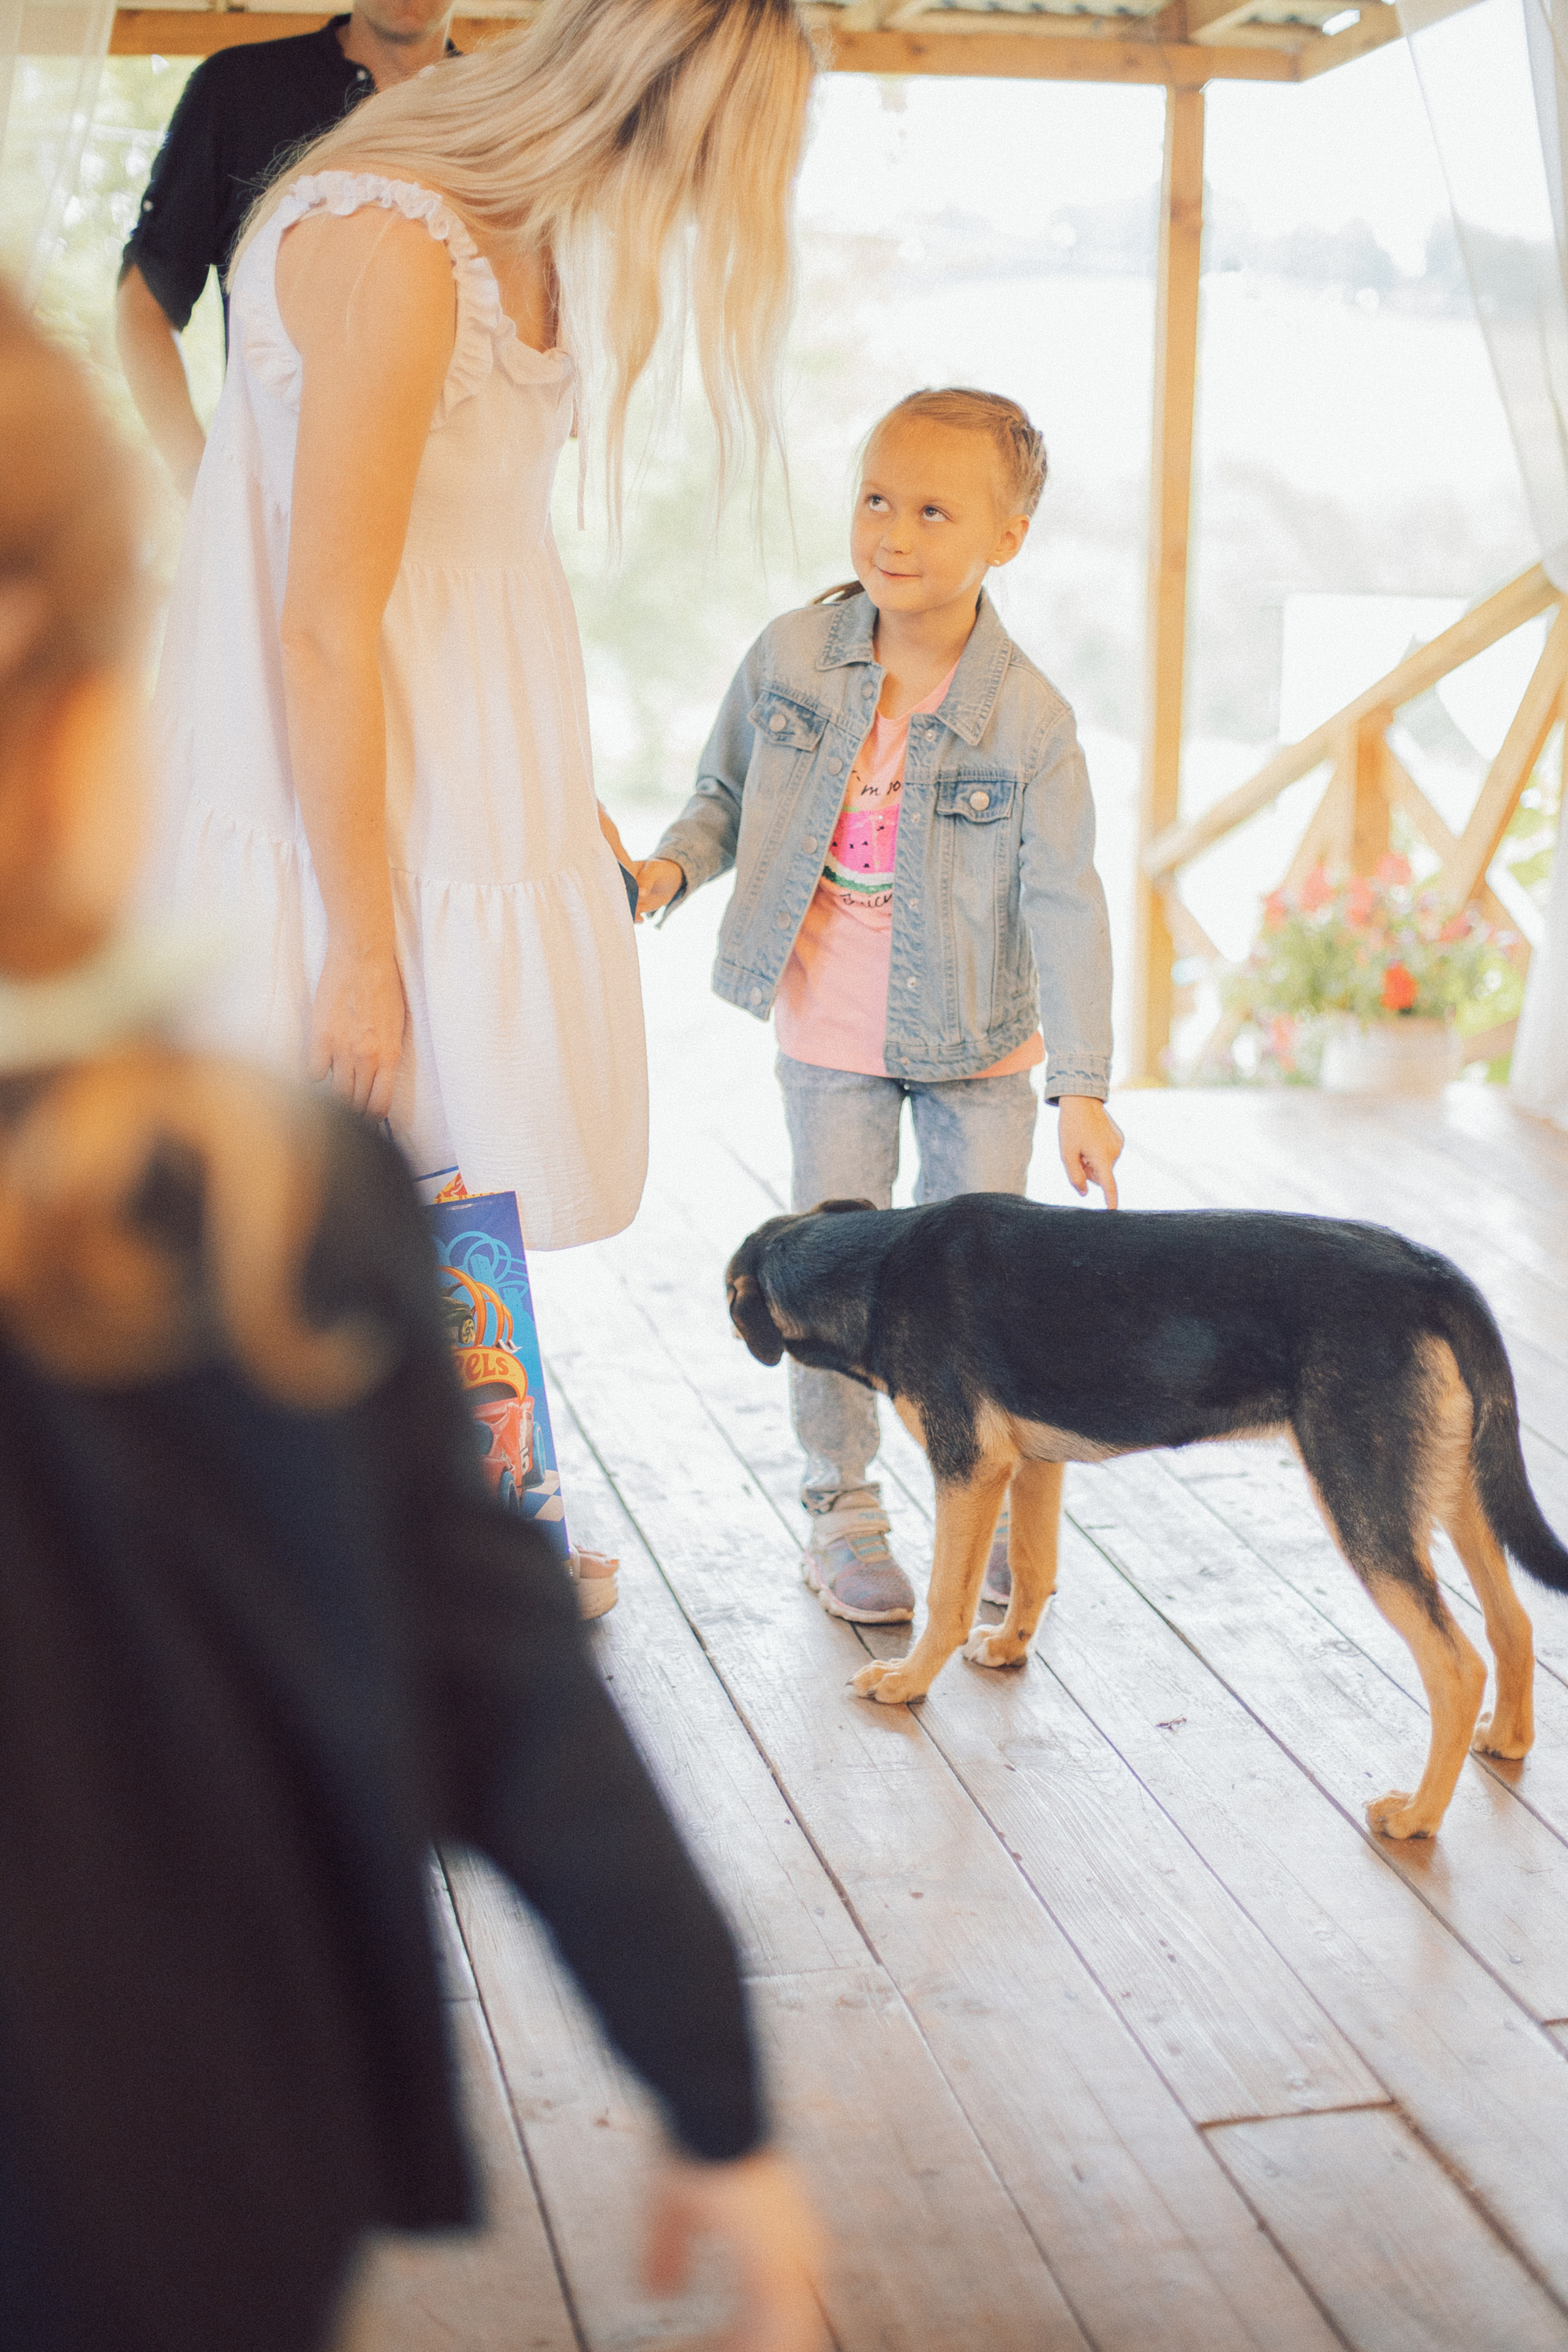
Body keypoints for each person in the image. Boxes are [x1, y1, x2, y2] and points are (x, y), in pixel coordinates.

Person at [0, 280, 823, 2352]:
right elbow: (507, 1691)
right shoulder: (272, 1200)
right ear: (105, 714)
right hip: (190, 2186)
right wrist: (715, 2104)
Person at [147, 0, 815, 1613]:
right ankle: (271, 1562)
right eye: (717, 152)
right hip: (333, 781)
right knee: (332, 1150)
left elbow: (474, 565)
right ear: (642, 106)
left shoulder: (530, 237)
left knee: (451, 1176)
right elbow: (324, 624)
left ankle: (462, 1513)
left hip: (467, 767)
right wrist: (361, 949)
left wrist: (550, 776)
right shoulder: (387, 236)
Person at [638, 388, 1124, 1623]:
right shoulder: (792, 657)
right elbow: (721, 794)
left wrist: (1082, 1086)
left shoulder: (1029, 720)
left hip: (976, 1043)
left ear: (1003, 537)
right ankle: (840, 1509)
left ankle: (1002, 1507)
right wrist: (666, 871)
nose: (891, 532)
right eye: (873, 496)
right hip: (829, 1036)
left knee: (989, 1290)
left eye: (930, 509)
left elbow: (1066, 901)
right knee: (830, 1281)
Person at [117, 0, 461, 496]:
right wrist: (198, 481)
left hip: (453, 517)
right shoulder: (239, 88)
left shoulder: (501, 116)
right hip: (271, 509)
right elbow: (144, 306)